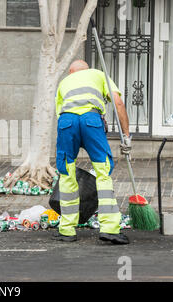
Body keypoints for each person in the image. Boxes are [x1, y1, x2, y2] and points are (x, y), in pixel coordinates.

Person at [52, 60, 132, 245]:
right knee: (103, 172)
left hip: (67, 122)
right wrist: (126, 136)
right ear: (86, 69)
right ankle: (109, 230)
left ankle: (67, 230)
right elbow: (118, 103)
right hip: (91, 120)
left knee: (66, 174)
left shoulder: (64, 83)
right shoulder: (97, 74)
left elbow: (60, 114)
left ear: (71, 72)